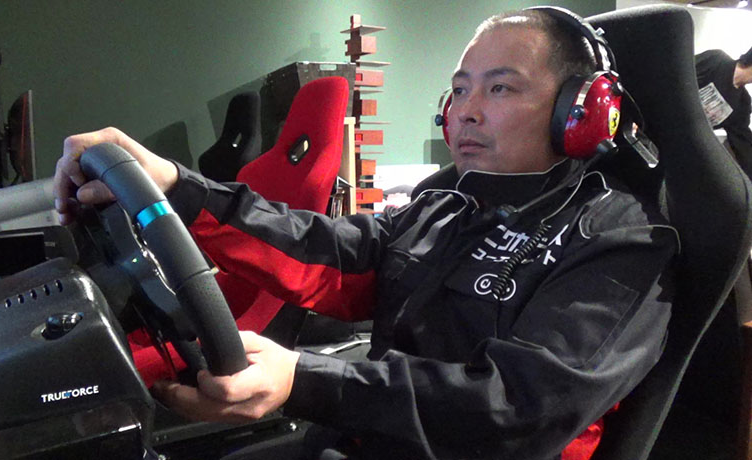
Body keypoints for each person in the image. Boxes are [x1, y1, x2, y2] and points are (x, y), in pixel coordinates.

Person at [54, 8, 679, 460]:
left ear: (583, 111)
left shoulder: (620, 241)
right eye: (459, 90)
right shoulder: (447, 203)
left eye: (500, 88)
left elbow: (521, 408)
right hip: (365, 438)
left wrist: (303, 380)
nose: (465, 111)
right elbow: (328, 256)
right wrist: (177, 186)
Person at [695, 46, 752, 179]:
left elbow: (743, 145)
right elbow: (672, 76)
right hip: (651, 121)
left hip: (675, 144)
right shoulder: (716, 60)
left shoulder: (743, 103)